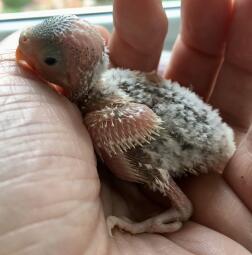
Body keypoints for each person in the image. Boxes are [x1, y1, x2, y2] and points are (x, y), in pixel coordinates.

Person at [0, 0, 251, 254]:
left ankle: (179, 207)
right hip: (196, 131)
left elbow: (145, 121)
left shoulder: (103, 120)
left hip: (190, 142)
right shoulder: (105, 86)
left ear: (69, 78)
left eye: (49, 60)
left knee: (119, 147)